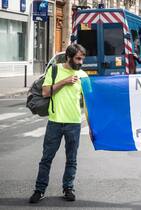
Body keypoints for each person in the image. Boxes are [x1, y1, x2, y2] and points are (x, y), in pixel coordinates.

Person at [29, 44, 88, 203]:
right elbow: (45, 92)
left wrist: (92, 126)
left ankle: (68, 188)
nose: (81, 62)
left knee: (72, 159)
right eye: (78, 58)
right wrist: (65, 81)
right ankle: (39, 190)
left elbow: (90, 102)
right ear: (69, 57)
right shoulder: (54, 70)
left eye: (82, 59)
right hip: (55, 122)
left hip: (74, 123)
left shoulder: (83, 75)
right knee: (46, 158)